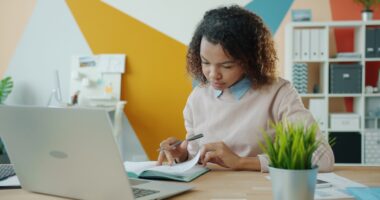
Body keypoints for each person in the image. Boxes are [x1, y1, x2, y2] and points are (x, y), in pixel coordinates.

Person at [157, 5, 334, 172]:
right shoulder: (198, 97)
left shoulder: (279, 93)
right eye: (205, 62)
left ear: (248, 60)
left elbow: (322, 157)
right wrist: (182, 154)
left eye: (226, 66)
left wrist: (241, 162)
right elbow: (197, 158)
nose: (213, 74)